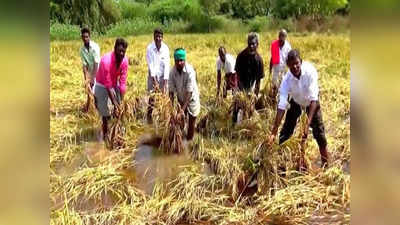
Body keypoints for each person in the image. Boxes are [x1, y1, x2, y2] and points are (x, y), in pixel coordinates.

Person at [268, 49, 329, 168]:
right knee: (284, 136)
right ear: (288, 66)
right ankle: (282, 167)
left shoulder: (310, 71)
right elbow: (281, 106)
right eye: (291, 66)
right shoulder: (286, 80)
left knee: (320, 136)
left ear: (300, 61)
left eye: (297, 63)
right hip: (296, 103)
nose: (295, 67)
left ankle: (326, 166)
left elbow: (314, 99)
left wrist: (306, 124)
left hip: (311, 105)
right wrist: (273, 132)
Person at [94, 38, 129, 138]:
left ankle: (117, 132)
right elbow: (107, 85)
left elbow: (122, 82)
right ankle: (105, 135)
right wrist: (115, 103)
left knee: (119, 109)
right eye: (120, 51)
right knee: (104, 112)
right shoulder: (106, 61)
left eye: (124, 51)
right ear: (115, 49)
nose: (122, 53)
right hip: (101, 84)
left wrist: (120, 102)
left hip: (113, 83)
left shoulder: (125, 61)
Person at [168, 48, 200, 140]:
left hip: (191, 99)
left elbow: (189, 93)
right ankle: (180, 141)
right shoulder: (172, 73)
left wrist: (182, 111)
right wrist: (171, 109)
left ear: (184, 60)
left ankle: (189, 141)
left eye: (181, 60)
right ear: (174, 60)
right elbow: (171, 92)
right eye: (177, 60)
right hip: (181, 98)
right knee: (179, 122)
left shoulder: (190, 72)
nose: (179, 63)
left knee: (191, 123)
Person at [146, 28, 170, 123]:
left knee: (163, 97)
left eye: (160, 37)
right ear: (154, 37)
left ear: (162, 38)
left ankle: (163, 118)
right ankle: (149, 118)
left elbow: (167, 65)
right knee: (152, 98)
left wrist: (165, 82)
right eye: (156, 36)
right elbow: (151, 65)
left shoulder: (166, 48)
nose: (158, 38)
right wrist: (155, 82)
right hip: (152, 76)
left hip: (162, 77)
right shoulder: (150, 48)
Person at [235, 32, 265, 96]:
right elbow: (237, 75)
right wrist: (242, 91)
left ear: (257, 44)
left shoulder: (259, 60)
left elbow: (258, 80)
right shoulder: (241, 56)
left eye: (253, 44)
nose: (251, 46)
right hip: (241, 84)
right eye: (249, 44)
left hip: (252, 84)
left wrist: (255, 95)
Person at [80, 27, 100, 112]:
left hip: (99, 70)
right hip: (91, 70)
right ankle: (88, 107)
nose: (85, 39)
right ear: (82, 37)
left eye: (87, 37)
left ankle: (97, 108)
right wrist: (86, 79)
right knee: (89, 88)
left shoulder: (95, 47)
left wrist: (92, 78)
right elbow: (84, 65)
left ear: (89, 37)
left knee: (96, 90)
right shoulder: (82, 50)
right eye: (84, 37)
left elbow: (96, 63)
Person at [269, 29, 292, 98]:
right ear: (278, 36)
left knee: (284, 86)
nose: (281, 37)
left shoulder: (288, 46)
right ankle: (274, 99)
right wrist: (270, 69)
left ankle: (284, 99)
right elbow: (272, 57)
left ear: (285, 37)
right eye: (280, 36)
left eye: (283, 36)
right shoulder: (274, 44)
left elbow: (290, 59)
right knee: (274, 86)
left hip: (284, 70)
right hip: (276, 69)